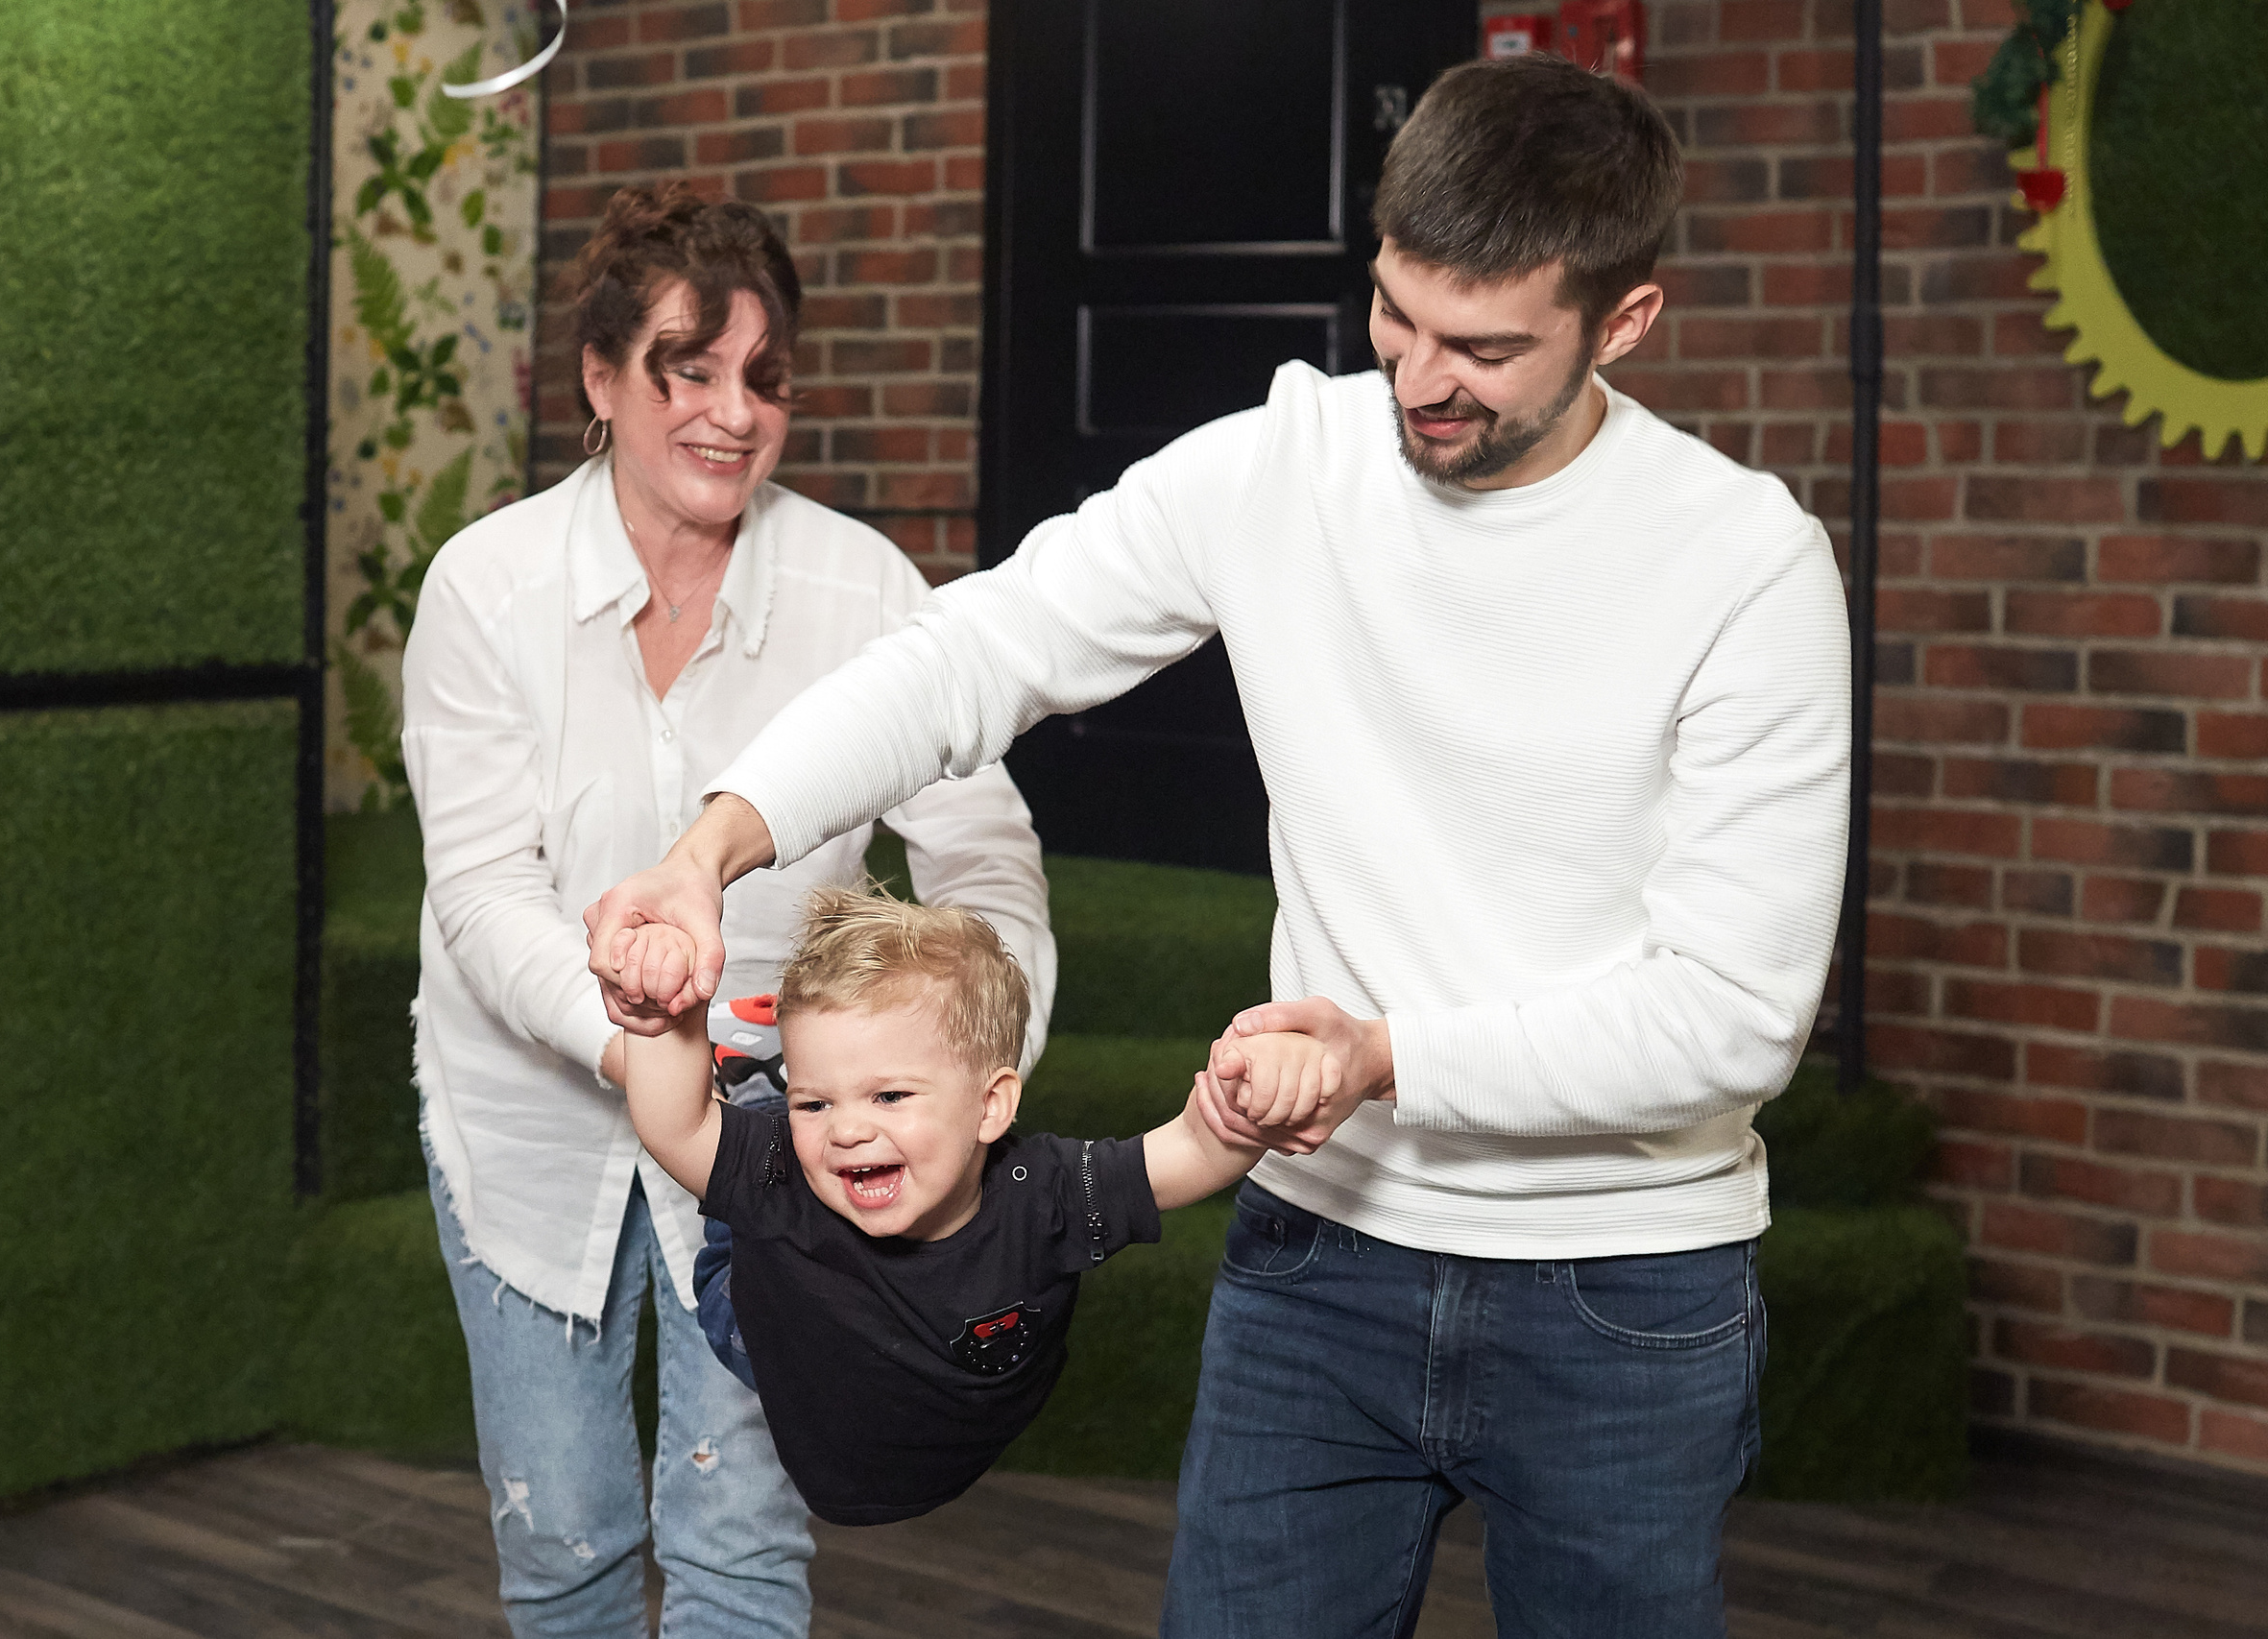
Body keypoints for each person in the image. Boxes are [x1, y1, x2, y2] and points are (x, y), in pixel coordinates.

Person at [583, 56, 1850, 1638]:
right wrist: (714, 844)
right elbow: (978, 652)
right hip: (1320, 1260)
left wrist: (1383, 1054)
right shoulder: (1285, 465)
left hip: (1623, 1292)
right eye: (1396, 315)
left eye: (1486, 346)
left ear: (1628, 322)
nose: (1419, 379)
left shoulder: (1745, 567)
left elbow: (1731, 1012)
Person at [401, 182, 1055, 1637]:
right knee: (561, 1543)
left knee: (743, 1544)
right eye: (685, 369)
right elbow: (483, 888)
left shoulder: (863, 586)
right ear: (598, 377)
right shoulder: (485, 586)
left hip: (773, 1138)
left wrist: (960, 1078)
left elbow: (986, 858)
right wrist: (638, 1044)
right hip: (524, 1108)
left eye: (763, 377)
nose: (730, 412)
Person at [612, 886, 1339, 1526]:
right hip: (779, 1328)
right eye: (820, 1100)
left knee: (775, 1149)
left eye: (889, 1094)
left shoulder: (1043, 1191)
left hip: (935, 1410)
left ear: (992, 1106)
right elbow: (675, 1129)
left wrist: (1243, 1108)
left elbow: (1181, 1154)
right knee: (745, 1186)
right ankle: (759, 1080)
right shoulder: (787, 1173)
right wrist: (657, 1019)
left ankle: (777, 1078)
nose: (849, 1127)